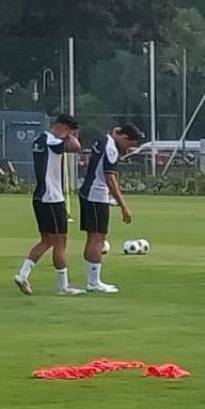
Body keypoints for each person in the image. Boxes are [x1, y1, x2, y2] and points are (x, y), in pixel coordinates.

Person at [14, 114, 85, 296]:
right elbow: (76, 147)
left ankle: (23, 274)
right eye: (70, 129)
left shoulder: (40, 140)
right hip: (52, 198)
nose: (72, 133)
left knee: (46, 240)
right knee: (60, 242)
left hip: (40, 197)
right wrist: (70, 137)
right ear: (61, 127)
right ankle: (63, 287)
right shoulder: (52, 141)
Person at [78, 123, 144, 293]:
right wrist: (124, 206)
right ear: (123, 138)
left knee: (93, 237)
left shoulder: (103, 140)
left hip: (88, 192)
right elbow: (110, 179)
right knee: (98, 238)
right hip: (96, 195)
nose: (128, 150)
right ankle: (94, 282)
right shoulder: (111, 149)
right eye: (129, 145)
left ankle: (92, 280)